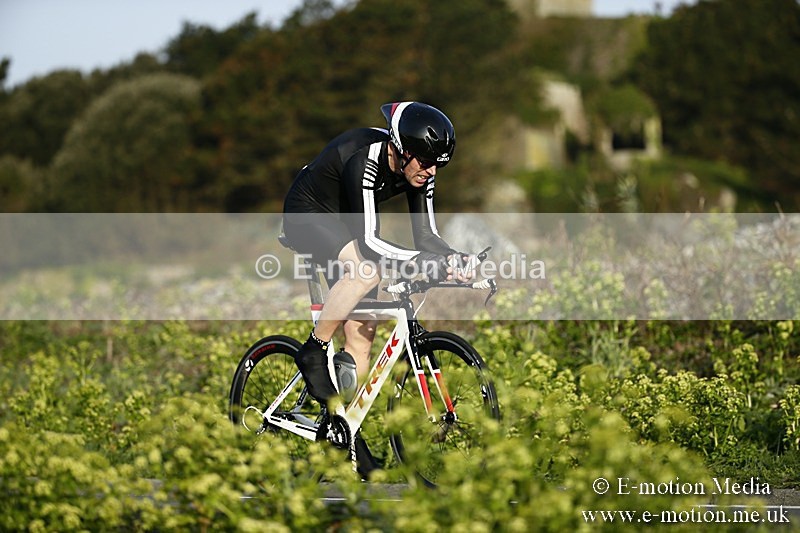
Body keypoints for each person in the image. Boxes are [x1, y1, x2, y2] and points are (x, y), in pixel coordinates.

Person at [282, 101, 470, 407]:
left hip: (343, 223)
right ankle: (313, 350)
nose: (432, 170)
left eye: (439, 164)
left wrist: (452, 258)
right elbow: (369, 242)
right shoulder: (365, 158)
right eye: (426, 162)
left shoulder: (421, 169)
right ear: (402, 150)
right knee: (366, 272)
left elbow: (426, 236)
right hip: (307, 213)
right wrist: (419, 261)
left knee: (362, 336)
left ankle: (344, 427)